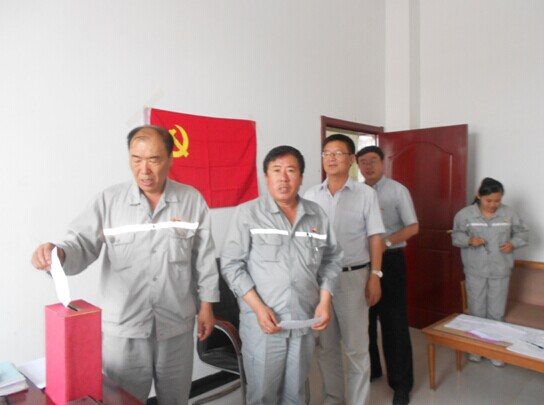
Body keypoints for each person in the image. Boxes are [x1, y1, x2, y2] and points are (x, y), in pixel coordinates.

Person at [31, 125, 220, 404]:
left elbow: (204, 258)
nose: (144, 170)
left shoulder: (191, 200)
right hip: (125, 330)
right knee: (122, 401)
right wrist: (57, 254)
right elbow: (80, 244)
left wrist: (207, 306)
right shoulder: (109, 201)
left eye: (154, 160)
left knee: (176, 399)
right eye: (136, 159)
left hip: (176, 326)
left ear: (170, 158)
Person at [220, 145, 342, 405]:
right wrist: (258, 308)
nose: (283, 178)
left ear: (301, 177)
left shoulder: (316, 215)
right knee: (263, 394)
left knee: (296, 393)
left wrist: (325, 300)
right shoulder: (248, 213)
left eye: (291, 171)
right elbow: (231, 265)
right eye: (276, 170)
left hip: (303, 320)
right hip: (264, 324)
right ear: (266, 177)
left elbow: (331, 260)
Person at [304, 135, 385, 405]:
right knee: (327, 348)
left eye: (338, 153)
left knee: (356, 348)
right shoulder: (310, 196)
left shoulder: (366, 194)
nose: (331, 158)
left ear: (351, 160)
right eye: (327, 153)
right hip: (320, 282)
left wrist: (375, 276)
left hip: (353, 277)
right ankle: (333, 399)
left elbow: (375, 237)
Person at [356, 145, 418, 405]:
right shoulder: (356, 192)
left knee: (394, 323)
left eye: (373, 161)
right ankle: (373, 370)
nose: (368, 166)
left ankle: (401, 384)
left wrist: (386, 243)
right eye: (363, 162)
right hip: (362, 263)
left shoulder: (397, 191)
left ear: (383, 163)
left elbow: (413, 227)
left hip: (390, 261)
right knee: (365, 322)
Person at [452, 177, 528, 366]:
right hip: (475, 270)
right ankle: (476, 350)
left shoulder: (509, 213)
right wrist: (469, 241)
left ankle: (495, 352)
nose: (493, 205)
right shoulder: (465, 215)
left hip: (500, 270)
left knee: (496, 312)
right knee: (476, 311)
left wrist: (513, 244)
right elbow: (456, 236)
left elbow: (523, 233)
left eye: (497, 200)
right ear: (479, 195)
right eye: (489, 200)